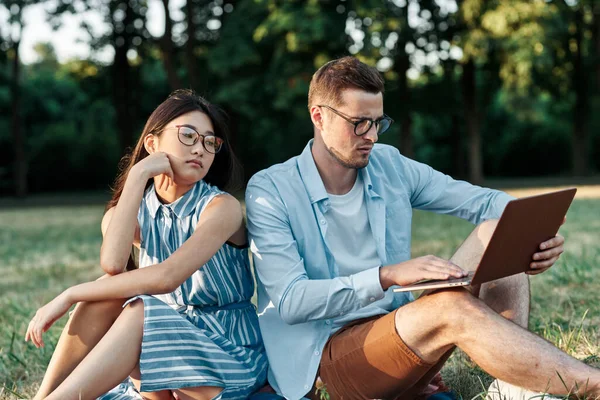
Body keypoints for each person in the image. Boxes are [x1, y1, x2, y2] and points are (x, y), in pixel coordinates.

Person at [244, 56, 600, 400]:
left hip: (395, 330)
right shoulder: (271, 189)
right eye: (359, 123)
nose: (372, 136)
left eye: (378, 122)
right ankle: (592, 385)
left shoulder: (389, 165)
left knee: (498, 232)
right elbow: (291, 301)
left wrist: (537, 231)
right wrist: (387, 275)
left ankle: (512, 383)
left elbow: (479, 201)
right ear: (318, 117)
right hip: (325, 361)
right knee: (450, 308)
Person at [25, 89, 268, 400]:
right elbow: (113, 265)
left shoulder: (222, 208)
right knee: (107, 291)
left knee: (139, 308)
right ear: (152, 143)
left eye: (210, 142)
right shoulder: (133, 209)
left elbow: (167, 277)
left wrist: (69, 294)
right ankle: (42, 397)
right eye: (188, 136)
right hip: (159, 357)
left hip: (227, 353)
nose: (200, 149)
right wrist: (139, 174)